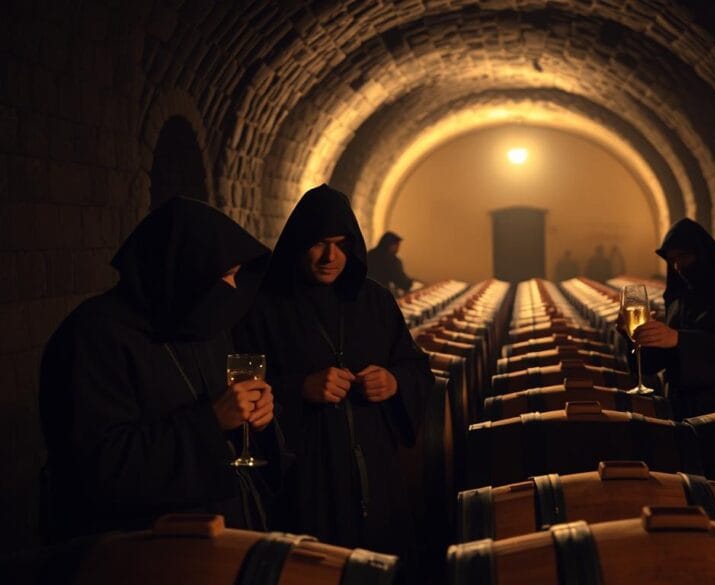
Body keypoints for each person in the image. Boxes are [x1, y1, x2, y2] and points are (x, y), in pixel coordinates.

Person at [38, 198, 276, 541]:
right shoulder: (94, 335)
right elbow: (97, 467)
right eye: (225, 276)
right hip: (138, 551)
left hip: (213, 535)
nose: (233, 289)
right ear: (185, 270)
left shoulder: (201, 323)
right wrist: (210, 422)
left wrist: (258, 415)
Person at [234, 185, 432, 563]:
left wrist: (394, 382)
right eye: (319, 244)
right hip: (306, 476)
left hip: (377, 470)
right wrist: (298, 388)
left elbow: (415, 367)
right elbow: (239, 391)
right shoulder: (263, 306)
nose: (331, 257)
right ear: (297, 244)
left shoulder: (374, 300)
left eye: (341, 244)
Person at [624, 219, 715, 418]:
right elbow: (656, 363)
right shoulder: (680, 294)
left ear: (701, 253)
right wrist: (636, 336)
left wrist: (680, 339)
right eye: (672, 261)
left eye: (683, 257)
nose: (678, 267)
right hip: (682, 405)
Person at [366, 231, 414, 295]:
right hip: (380, 296)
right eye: (397, 245)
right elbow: (402, 282)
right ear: (391, 245)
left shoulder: (370, 253)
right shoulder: (392, 260)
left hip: (365, 293)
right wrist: (411, 282)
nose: (398, 249)